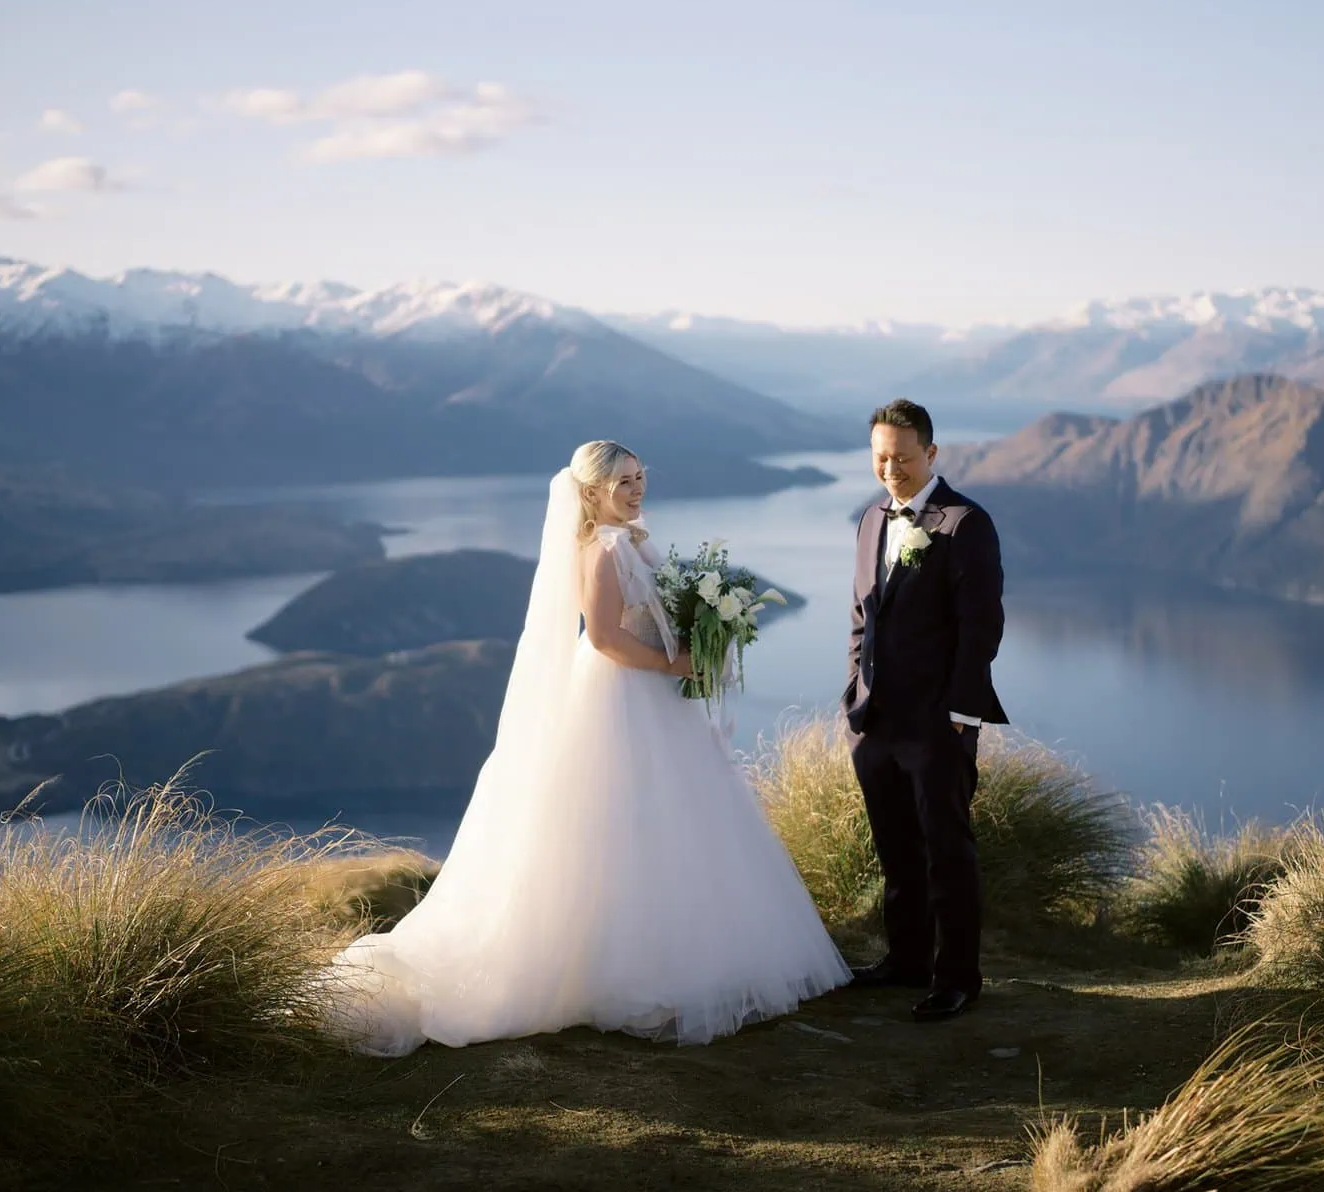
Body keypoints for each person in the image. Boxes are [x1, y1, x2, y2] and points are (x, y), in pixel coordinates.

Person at [329, 440, 849, 1054]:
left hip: (651, 695)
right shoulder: (602, 551)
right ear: (591, 492)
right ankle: (629, 972)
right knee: (624, 819)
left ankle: (673, 956)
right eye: (623, 482)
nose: (636, 489)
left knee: (669, 819)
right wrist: (676, 663)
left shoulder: (630, 539)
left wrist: (703, 641)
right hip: (621, 694)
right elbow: (602, 639)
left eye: (640, 476)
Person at [842, 399, 1007, 1022]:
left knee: (946, 849)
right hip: (875, 720)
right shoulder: (869, 520)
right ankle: (905, 960)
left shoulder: (966, 523)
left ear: (932, 454)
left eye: (903, 458)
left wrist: (962, 713)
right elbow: (863, 614)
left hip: (938, 723)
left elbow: (981, 626)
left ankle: (958, 977)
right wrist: (855, 695)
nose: (891, 469)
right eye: (881, 457)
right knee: (895, 847)